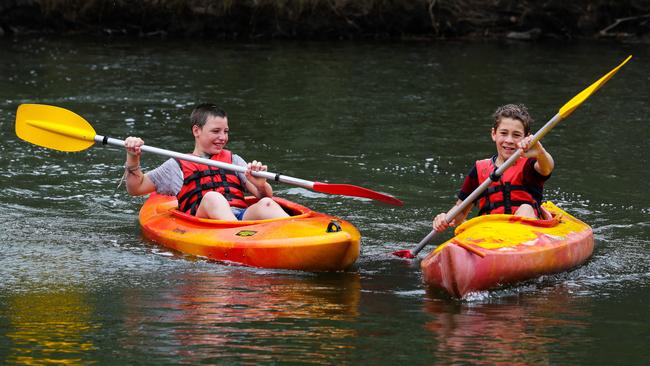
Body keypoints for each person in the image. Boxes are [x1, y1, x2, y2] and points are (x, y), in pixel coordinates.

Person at [123, 103, 290, 221]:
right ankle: (236, 239)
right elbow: (136, 188)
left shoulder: (234, 161)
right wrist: (133, 155)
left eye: (225, 131)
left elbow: (264, 197)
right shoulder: (177, 166)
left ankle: (300, 237)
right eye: (216, 131)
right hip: (204, 224)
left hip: (240, 217)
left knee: (267, 204)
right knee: (213, 198)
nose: (223, 137)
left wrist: (260, 184)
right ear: (197, 130)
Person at [432, 104, 554, 232]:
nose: (509, 140)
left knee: (525, 208)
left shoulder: (531, 164)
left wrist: (540, 152)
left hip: (526, 235)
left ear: (526, 137)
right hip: (490, 234)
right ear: (494, 134)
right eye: (504, 133)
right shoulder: (480, 169)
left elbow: (547, 168)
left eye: (516, 135)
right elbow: (460, 212)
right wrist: (445, 218)